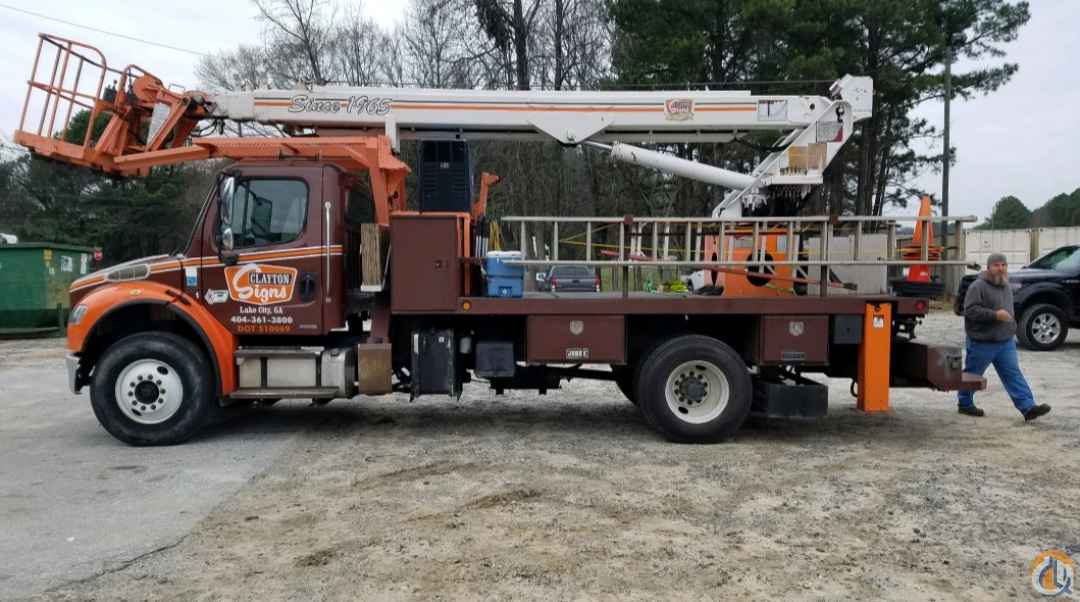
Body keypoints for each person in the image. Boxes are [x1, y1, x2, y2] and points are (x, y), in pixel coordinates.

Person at [959, 253, 1051, 421]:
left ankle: (1028, 407)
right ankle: (964, 404)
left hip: (1005, 341)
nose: (1000, 268)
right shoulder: (977, 286)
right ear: (989, 268)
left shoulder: (1005, 285)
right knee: (972, 374)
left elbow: (1009, 310)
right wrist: (994, 315)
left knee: (1013, 374)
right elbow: (970, 311)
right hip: (982, 341)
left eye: (1003, 265)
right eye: (996, 265)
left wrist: (1012, 326)